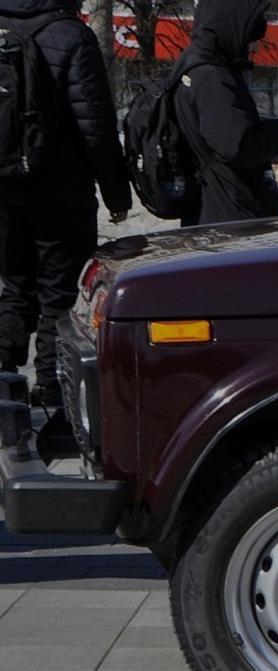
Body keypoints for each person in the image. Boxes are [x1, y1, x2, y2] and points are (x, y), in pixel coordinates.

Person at [0, 0, 131, 407]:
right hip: (60, 194)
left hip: (3, 191)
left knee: (15, 292)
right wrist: (116, 192)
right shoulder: (73, 35)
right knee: (58, 303)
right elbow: (95, 125)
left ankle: (4, 392)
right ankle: (53, 402)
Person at [172, 0, 278, 225]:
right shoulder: (213, 78)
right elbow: (238, 148)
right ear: (231, 27)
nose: (254, 48)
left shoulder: (192, 64)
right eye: (250, 39)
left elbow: (220, 131)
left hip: (212, 206)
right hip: (230, 213)